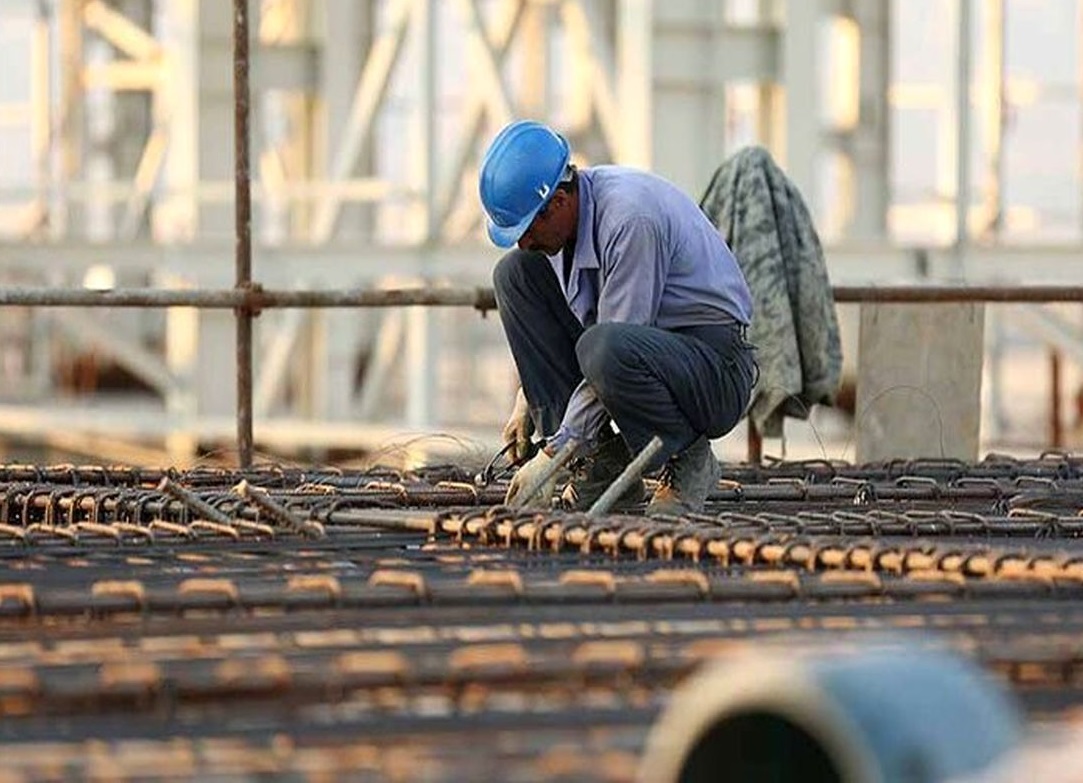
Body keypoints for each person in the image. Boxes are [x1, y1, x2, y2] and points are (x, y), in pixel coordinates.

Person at [479, 119, 756, 515]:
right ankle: (598, 466)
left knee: (602, 347)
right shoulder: (567, 226)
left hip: (712, 369)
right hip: (645, 353)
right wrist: (530, 396)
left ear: (559, 202)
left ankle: (688, 457)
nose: (524, 241)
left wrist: (553, 454)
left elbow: (612, 345)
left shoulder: (629, 220)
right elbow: (589, 327)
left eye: (526, 228)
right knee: (515, 274)